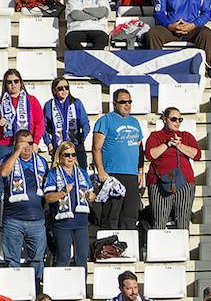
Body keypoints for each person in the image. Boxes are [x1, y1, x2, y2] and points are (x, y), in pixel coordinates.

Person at [91, 88, 144, 231]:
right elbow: (96, 148)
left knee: (130, 215)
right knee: (111, 215)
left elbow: (139, 148)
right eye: (123, 102)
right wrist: (101, 171)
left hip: (131, 175)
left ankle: (126, 248)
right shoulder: (106, 120)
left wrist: (140, 171)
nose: (127, 105)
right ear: (114, 104)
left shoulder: (135, 122)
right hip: (112, 174)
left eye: (129, 102)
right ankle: (108, 248)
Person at [0, 131, 47, 277]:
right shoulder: (6, 159)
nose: (27, 146)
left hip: (37, 220)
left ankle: (36, 290)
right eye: (23, 143)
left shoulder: (42, 162)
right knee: (12, 260)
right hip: (13, 220)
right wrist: (17, 152)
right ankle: (15, 290)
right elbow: (4, 173)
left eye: (30, 143)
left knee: (37, 259)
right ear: (15, 143)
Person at [42, 139, 94, 268]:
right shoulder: (53, 174)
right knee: (63, 257)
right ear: (60, 156)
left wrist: (90, 196)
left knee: (82, 258)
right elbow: (48, 197)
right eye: (66, 155)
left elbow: (92, 195)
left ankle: (81, 286)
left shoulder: (82, 173)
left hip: (81, 222)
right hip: (62, 223)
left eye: (73, 154)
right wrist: (63, 192)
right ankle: (60, 287)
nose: (70, 158)